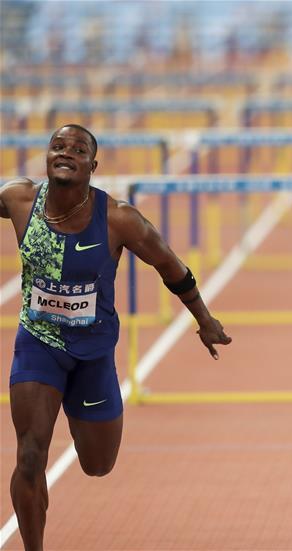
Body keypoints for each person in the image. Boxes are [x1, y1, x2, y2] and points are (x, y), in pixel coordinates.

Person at [0, 124, 232, 550]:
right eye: (57, 146)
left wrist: (206, 320)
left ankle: (78, 410)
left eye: (77, 148)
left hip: (93, 354)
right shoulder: (18, 199)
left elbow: (171, 267)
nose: (65, 152)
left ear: (93, 164)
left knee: (98, 465)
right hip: (38, 344)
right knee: (30, 456)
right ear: (47, 157)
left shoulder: (120, 219)